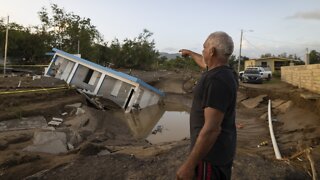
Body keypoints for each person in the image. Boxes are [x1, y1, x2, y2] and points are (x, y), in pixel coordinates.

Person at [176, 31, 238, 180]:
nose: (202, 51)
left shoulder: (216, 80)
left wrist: (189, 166)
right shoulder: (225, 73)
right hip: (219, 151)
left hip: (209, 157)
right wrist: (190, 53)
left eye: (204, 48)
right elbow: (204, 63)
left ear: (212, 51)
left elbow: (212, 129)